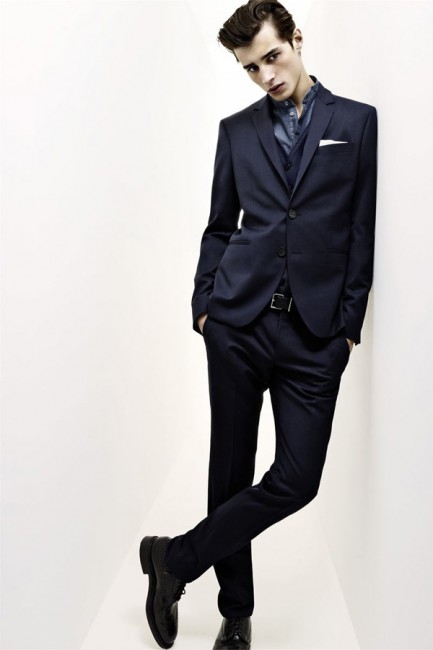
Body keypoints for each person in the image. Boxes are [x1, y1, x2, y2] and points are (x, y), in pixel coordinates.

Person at [139, 1, 377, 648]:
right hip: (237, 326)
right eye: (250, 68)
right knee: (230, 471)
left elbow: (361, 228)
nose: (265, 75)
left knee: (297, 479)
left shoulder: (355, 122)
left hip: (315, 334)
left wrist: (348, 325)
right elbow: (220, 226)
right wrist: (204, 308)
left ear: (296, 38)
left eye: (272, 57)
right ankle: (235, 612)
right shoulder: (236, 131)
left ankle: (173, 558)